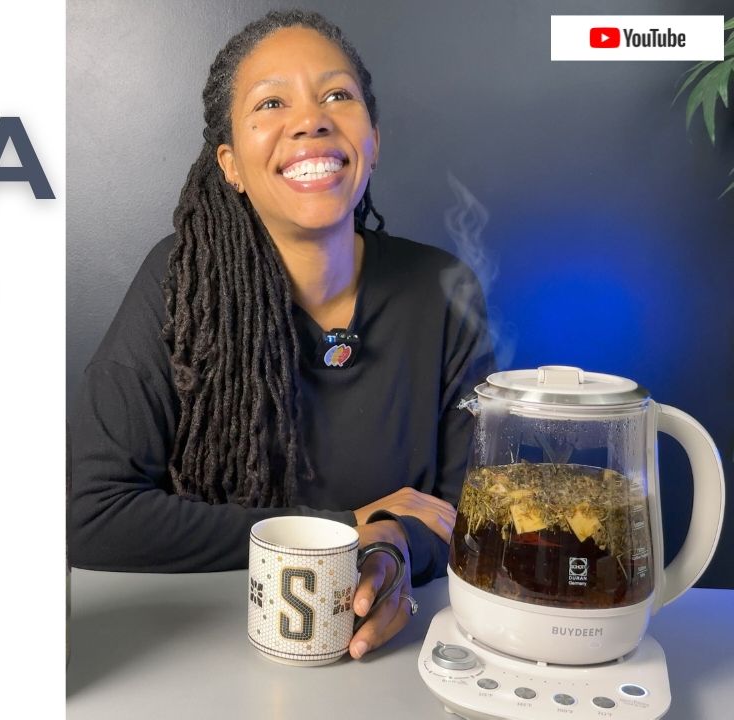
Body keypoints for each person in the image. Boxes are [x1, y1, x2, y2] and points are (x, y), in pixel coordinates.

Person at [67, 9, 496, 660]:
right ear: (231, 163)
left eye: (337, 95)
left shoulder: (443, 289)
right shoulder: (177, 282)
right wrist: (350, 527)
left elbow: (468, 517)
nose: (311, 119)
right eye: (272, 102)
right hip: (204, 655)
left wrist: (396, 547)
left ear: (372, 141)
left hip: (397, 661)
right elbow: (89, 515)